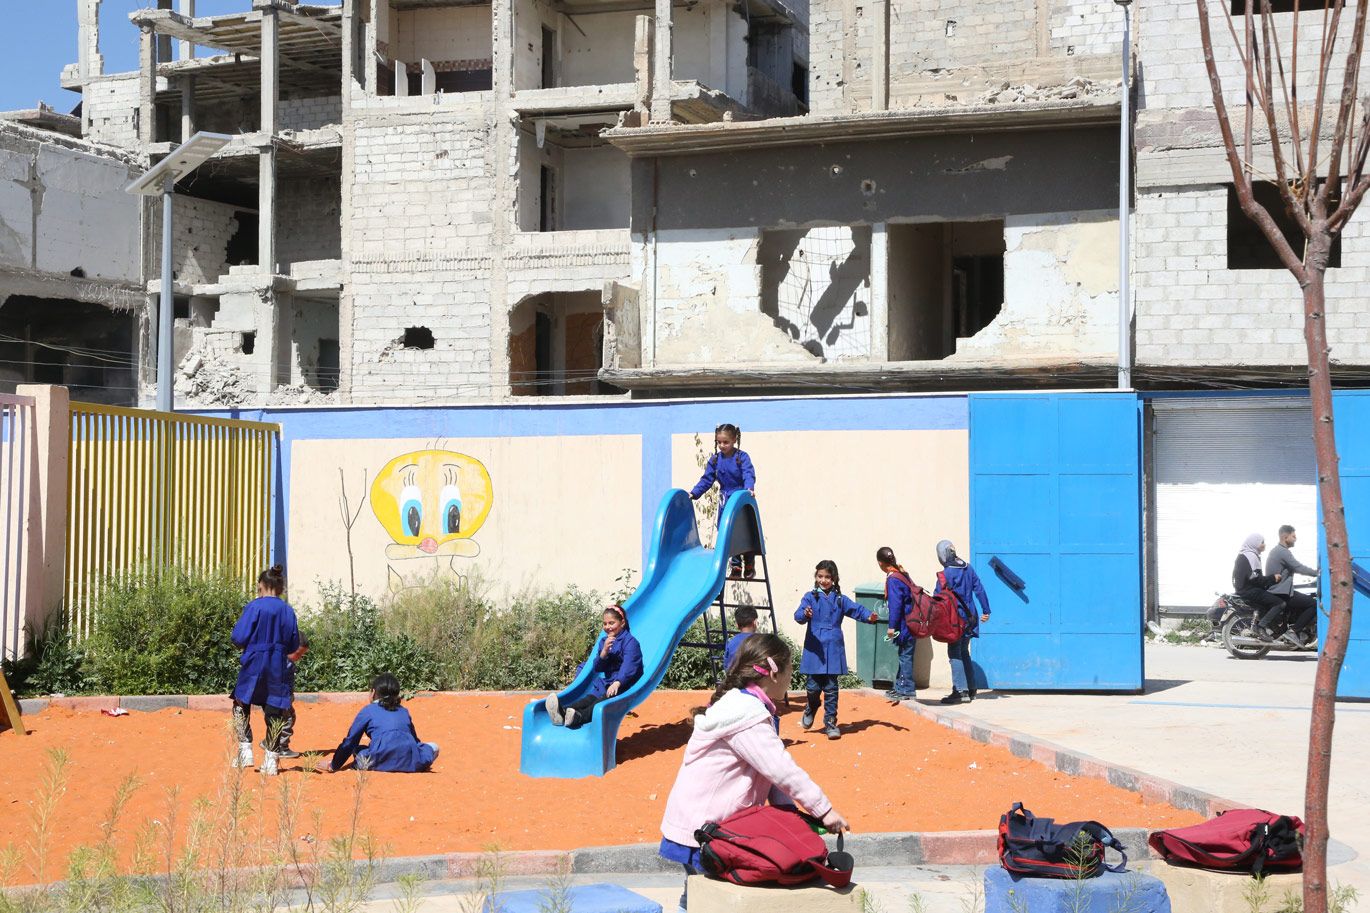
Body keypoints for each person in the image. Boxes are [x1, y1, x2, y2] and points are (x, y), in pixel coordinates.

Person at [659, 634, 849, 913]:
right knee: (704, 901)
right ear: (774, 673)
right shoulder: (746, 714)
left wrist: (791, 815)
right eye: (790, 670)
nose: (791, 678)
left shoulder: (745, 706)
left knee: (699, 898)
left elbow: (769, 772)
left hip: (705, 823)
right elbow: (780, 769)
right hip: (708, 828)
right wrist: (824, 810)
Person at [794, 560, 880, 739]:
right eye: (820, 576)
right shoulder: (809, 597)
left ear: (834, 579)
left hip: (833, 648)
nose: (823, 580)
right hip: (814, 648)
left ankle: (831, 723)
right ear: (816, 577)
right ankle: (812, 705)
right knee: (812, 687)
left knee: (831, 688)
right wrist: (805, 614)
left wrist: (869, 617)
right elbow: (798, 615)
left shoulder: (840, 599)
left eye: (827, 577)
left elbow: (856, 610)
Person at [230, 565, 301, 776]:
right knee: (275, 709)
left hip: (254, 661)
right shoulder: (288, 610)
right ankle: (271, 758)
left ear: (261, 585)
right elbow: (293, 643)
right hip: (277, 664)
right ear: (280, 588)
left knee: (241, 702)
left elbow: (239, 637)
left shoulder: (254, 607)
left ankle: (245, 751)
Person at [316, 673, 439, 773]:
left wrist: (334, 764)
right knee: (434, 746)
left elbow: (350, 741)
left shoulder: (368, 711)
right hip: (410, 761)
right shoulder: (404, 711)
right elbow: (415, 740)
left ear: (373, 692)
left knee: (358, 750)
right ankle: (415, 764)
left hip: (378, 760)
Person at [545, 604, 643, 729]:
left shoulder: (630, 642)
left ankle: (578, 717)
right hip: (607, 682)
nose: (607, 627)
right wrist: (604, 652)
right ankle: (562, 712)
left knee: (598, 704)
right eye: (605, 623)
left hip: (624, 684)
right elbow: (598, 668)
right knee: (588, 699)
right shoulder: (604, 641)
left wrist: (618, 682)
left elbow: (629, 665)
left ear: (622, 623)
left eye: (611, 623)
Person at [689, 423, 757, 579]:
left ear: (734, 440)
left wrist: (749, 489)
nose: (722, 445)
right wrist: (694, 493)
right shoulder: (715, 460)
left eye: (725, 442)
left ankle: (749, 563)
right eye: (719, 442)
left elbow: (748, 473)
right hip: (725, 499)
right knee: (728, 530)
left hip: (740, 498)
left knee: (744, 530)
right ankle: (736, 566)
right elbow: (707, 480)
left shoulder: (741, 457)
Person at [933, 540, 990, 705]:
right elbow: (979, 588)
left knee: (954, 653)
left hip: (955, 619)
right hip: (971, 617)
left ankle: (960, 691)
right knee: (964, 651)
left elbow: (938, 597)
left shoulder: (946, 573)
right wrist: (986, 610)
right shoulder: (968, 567)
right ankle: (971, 689)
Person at [1265, 525, 1319, 646]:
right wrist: (1318, 573)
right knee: (1313, 604)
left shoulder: (1277, 551)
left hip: (1279, 591)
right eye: (1293, 536)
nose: (1296, 539)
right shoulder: (1282, 552)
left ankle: (1298, 632)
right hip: (1280, 592)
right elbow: (1298, 567)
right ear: (1285, 537)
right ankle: (1294, 631)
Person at [877, 547, 918, 702]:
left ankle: (908, 689)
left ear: (880, 563)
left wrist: (891, 627)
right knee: (904, 655)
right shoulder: (903, 575)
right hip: (912, 623)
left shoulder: (893, 579)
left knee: (905, 656)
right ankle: (900, 687)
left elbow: (896, 605)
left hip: (904, 625)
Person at [1233, 533, 1285, 641]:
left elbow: (1254, 578)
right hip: (1249, 591)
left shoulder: (1244, 554)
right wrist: (1272, 578)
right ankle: (1261, 627)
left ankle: (1273, 629)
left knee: (1269, 602)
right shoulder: (1251, 556)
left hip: (1244, 589)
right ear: (1254, 543)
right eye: (1262, 542)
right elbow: (1256, 578)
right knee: (1280, 603)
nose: (1264, 545)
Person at [267, 635, 308, 760]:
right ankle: (281, 747)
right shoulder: (284, 663)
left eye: (302, 655)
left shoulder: (283, 659)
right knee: (288, 719)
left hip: (282, 696)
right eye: (298, 654)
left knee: (282, 719)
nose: (299, 658)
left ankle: (271, 741)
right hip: (281, 697)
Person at [722, 605, 759, 672]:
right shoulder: (761, 641)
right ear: (755, 622)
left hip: (735, 680)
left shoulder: (731, 642)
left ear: (737, 624)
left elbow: (727, 666)